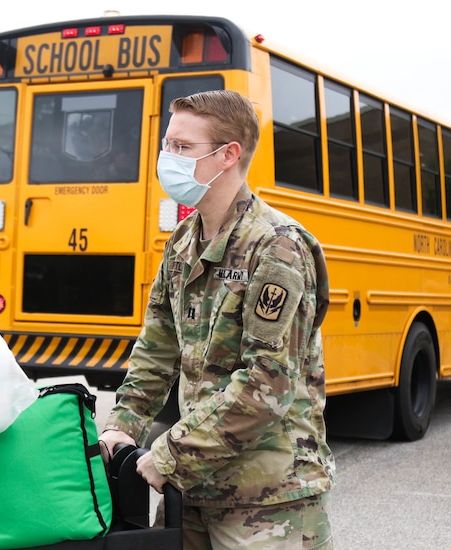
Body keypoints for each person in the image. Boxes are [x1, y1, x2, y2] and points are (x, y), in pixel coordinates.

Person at [99, 89, 335, 549]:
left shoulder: (277, 247)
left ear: (228, 155)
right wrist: (121, 425)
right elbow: (157, 349)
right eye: (167, 145)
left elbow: (267, 387)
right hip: (193, 491)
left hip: (267, 503)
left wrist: (168, 453)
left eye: (182, 148)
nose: (168, 157)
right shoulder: (184, 241)